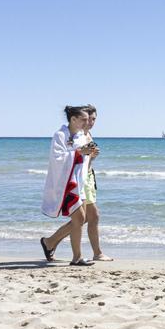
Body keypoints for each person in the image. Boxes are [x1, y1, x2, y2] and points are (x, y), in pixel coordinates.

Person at [41, 104, 113, 262]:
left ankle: (52, 243)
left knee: (85, 217)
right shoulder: (60, 135)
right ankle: (77, 255)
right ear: (74, 119)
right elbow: (58, 158)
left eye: (92, 120)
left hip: (82, 180)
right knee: (82, 217)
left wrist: (91, 155)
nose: (89, 123)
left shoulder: (81, 136)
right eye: (86, 119)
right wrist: (81, 153)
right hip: (69, 182)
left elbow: (83, 159)